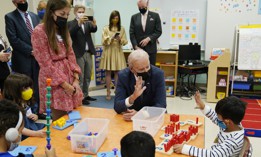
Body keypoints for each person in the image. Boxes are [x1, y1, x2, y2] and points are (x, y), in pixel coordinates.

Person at [31, 0, 83, 121]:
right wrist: (64, 84)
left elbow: (71, 54)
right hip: (54, 80)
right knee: (60, 119)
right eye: (62, 13)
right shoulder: (39, 31)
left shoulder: (63, 29)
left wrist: (76, 79)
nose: (64, 17)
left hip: (69, 76)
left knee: (74, 116)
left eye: (67, 14)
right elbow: (45, 63)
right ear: (51, 12)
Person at [173, 91, 252, 156]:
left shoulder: (232, 142)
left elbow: (212, 154)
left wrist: (185, 148)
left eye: (219, 116)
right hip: (218, 150)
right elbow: (215, 118)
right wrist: (203, 106)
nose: (217, 117)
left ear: (227, 121)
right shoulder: (232, 124)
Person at [5, 0, 42, 119]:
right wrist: (31, 51)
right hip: (22, 59)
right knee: (24, 87)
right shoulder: (10, 17)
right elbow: (13, 39)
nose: (23, 2)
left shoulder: (35, 16)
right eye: (20, 0)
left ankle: (38, 111)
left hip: (37, 59)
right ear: (14, 2)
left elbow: (40, 36)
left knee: (37, 85)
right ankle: (26, 114)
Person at [114, 49, 166, 121]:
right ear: (131, 69)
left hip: (153, 119)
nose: (146, 71)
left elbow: (161, 105)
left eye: (147, 67)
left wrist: (140, 114)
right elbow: (117, 106)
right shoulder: (123, 76)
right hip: (131, 120)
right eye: (141, 69)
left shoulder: (158, 74)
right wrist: (132, 97)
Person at [68, 5, 97, 105]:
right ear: (75, 12)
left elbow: (94, 30)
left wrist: (94, 24)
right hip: (79, 53)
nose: (81, 13)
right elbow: (70, 33)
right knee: (81, 76)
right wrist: (78, 24)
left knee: (88, 75)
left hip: (88, 52)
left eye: (83, 11)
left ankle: (86, 94)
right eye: (79, 12)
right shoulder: (71, 23)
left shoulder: (87, 22)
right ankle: (80, 97)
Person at [3, 73, 46, 140]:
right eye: (25, 88)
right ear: (14, 91)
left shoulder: (25, 101)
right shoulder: (11, 109)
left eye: (29, 87)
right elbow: (19, 128)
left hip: (32, 127)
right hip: (22, 135)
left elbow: (29, 113)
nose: (29, 90)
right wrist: (36, 133)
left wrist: (35, 116)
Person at [99, 10, 128, 100]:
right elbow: (103, 41)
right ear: (110, 19)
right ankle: (108, 91)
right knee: (108, 72)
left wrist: (120, 39)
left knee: (117, 73)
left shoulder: (122, 28)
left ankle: (117, 91)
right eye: (113, 18)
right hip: (108, 51)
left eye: (117, 18)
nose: (115, 20)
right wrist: (110, 38)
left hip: (118, 51)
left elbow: (125, 41)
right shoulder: (106, 28)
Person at [129, 0, 162, 66]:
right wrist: (135, 46)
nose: (141, 9)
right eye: (139, 7)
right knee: (138, 69)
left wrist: (149, 39)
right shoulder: (134, 17)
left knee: (151, 69)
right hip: (138, 50)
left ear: (147, 4)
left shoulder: (155, 16)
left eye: (143, 7)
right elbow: (131, 33)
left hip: (151, 49)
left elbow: (158, 31)